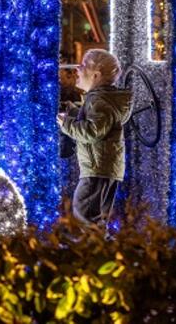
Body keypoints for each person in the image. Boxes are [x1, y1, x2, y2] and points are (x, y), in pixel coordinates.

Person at [57, 48, 131, 228]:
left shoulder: (99, 101)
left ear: (96, 75)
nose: (77, 70)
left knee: (84, 216)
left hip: (97, 168)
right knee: (96, 220)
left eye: (83, 66)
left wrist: (66, 124)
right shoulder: (102, 99)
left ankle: (91, 253)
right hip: (103, 168)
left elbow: (93, 131)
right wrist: (74, 112)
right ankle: (101, 252)